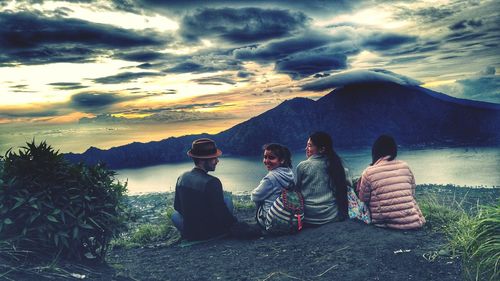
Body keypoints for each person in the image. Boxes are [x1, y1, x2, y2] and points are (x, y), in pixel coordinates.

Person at [172, 138, 237, 240]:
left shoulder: (181, 177)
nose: (217, 161)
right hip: (211, 233)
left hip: (190, 233)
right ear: (202, 160)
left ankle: (191, 232)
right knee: (227, 199)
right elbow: (222, 214)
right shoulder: (212, 182)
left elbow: (177, 207)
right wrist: (236, 225)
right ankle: (217, 233)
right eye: (214, 158)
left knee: (175, 215)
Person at [357, 135, 425, 229]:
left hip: (384, 221)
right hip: (413, 220)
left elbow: (363, 198)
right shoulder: (405, 166)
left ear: (375, 151)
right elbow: (412, 193)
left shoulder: (368, 172)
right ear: (394, 150)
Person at [295, 132, 349, 226]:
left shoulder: (302, 166)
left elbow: (296, 190)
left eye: (310, 146)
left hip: (308, 218)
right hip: (331, 216)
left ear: (322, 149)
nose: (306, 149)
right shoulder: (335, 166)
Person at [251, 143, 295, 230]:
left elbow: (254, 197)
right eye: (265, 157)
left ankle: (263, 223)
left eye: (271, 157)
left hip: (271, 219)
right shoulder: (289, 173)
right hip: (287, 216)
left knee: (260, 199)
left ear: (281, 160)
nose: (266, 161)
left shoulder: (271, 178)